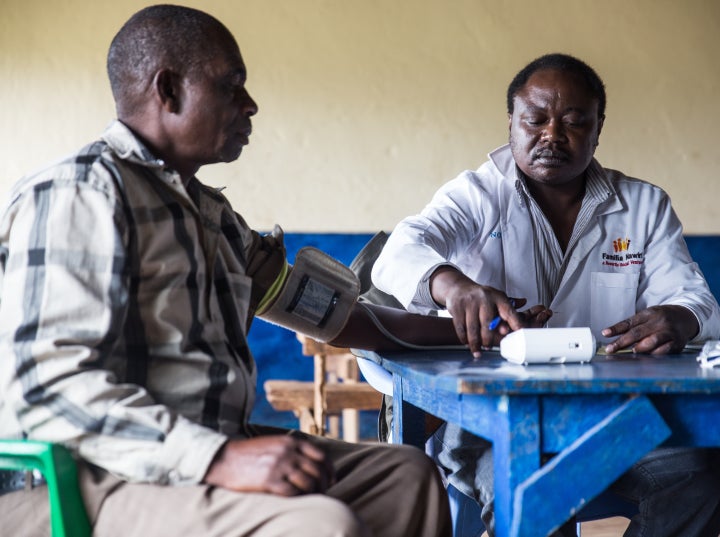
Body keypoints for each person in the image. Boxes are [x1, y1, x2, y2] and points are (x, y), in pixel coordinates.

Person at [0, 5, 462, 537]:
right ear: (168, 90)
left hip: (201, 456)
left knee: (406, 477)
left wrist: (471, 333)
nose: (251, 105)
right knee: (318, 525)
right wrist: (220, 459)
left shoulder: (212, 219)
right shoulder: (81, 195)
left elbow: (337, 317)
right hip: (86, 478)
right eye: (231, 86)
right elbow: (49, 386)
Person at [371, 53, 720, 536]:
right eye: (535, 120)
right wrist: (453, 286)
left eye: (575, 122)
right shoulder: (478, 194)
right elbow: (400, 250)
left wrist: (680, 318)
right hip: (488, 422)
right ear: (512, 123)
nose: (552, 135)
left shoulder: (643, 206)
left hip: (615, 417)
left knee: (696, 481)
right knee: (530, 493)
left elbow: (694, 300)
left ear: (598, 129)